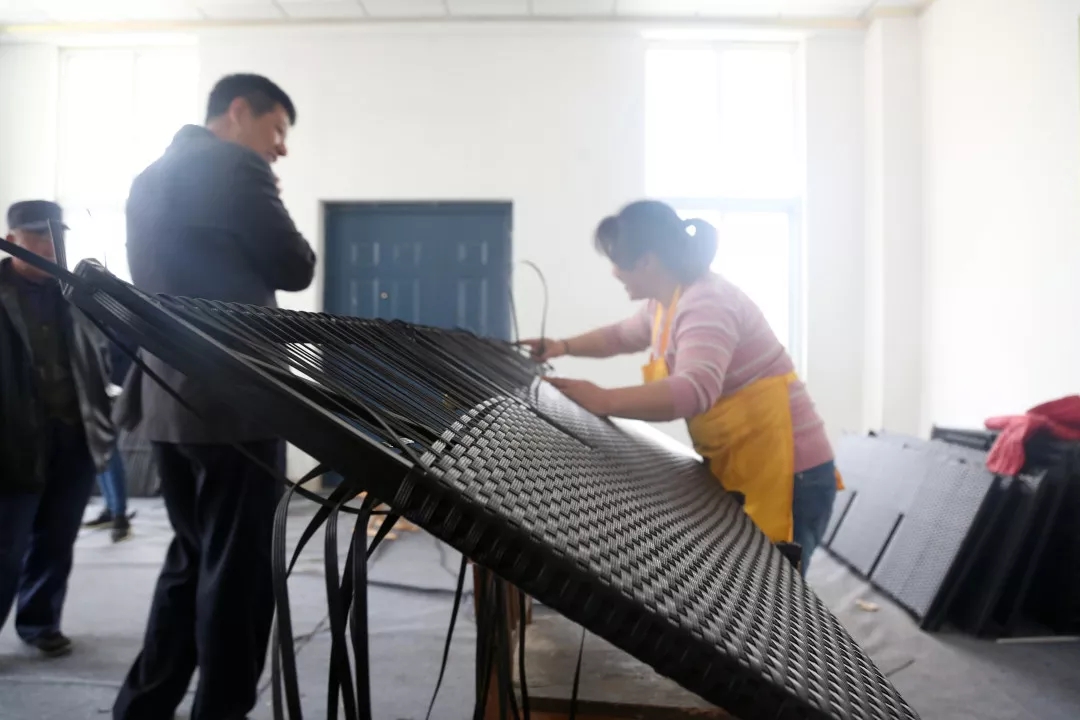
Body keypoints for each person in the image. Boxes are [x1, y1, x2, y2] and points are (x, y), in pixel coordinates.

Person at [113, 74, 316, 720]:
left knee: (192, 557)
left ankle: (142, 707)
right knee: (239, 575)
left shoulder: (149, 177)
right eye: (276, 129)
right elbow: (296, 266)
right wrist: (267, 190)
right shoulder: (237, 167)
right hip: (234, 401)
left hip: (167, 400)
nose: (280, 147)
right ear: (238, 111)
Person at [524, 200, 840, 575]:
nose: (614, 272)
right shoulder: (664, 304)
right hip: (745, 461)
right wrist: (562, 346)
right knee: (746, 582)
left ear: (647, 261)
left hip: (791, 472)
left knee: (774, 588)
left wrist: (604, 400)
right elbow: (620, 336)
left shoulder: (707, 302)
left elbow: (694, 390)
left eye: (618, 261)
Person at [0, 200, 115, 657]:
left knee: (57, 538)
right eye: (37, 236)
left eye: (54, 235)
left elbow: (111, 355)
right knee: (5, 546)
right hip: (11, 442)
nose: (48, 245)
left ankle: (39, 621)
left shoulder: (78, 297)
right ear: (11, 240)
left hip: (74, 437)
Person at [83, 340, 134, 542]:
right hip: (99, 390)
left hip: (112, 391)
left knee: (109, 450)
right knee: (100, 450)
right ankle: (112, 509)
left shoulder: (117, 329)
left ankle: (119, 515)